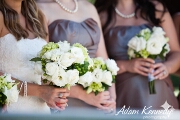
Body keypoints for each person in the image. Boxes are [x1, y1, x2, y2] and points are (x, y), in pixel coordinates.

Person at [95, 0, 180, 109]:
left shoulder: (157, 9)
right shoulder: (101, 15)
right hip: (123, 93)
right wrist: (126, 66)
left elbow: (176, 53)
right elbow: (97, 63)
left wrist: (166, 67)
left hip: (159, 91)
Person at [35, 0, 116, 113]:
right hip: (64, 101)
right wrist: (85, 95)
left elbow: (103, 58)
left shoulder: (90, 8)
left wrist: (111, 97)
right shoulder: (40, 8)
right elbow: (42, 70)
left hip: (98, 100)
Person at [0, 0, 69, 114]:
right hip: (9, 108)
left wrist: (53, 93)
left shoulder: (38, 17)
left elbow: (43, 72)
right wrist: (39, 91)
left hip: (39, 109)